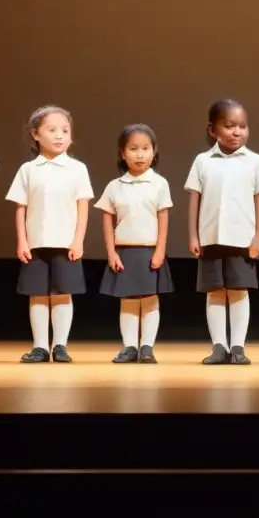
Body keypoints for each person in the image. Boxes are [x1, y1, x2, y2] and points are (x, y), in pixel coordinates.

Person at [186, 99, 259, 365]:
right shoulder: (202, 161)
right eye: (229, 126)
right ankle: (218, 346)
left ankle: (238, 346)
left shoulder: (254, 161)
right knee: (214, 291)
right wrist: (193, 235)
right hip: (210, 236)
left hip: (242, 238)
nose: (237, 132)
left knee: (238, 291)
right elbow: (195, 200)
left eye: (243, 126)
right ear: (213, 130)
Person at [6, 105, 94, 363]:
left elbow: (82, 207)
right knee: (38, 294)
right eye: (52, 130)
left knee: (62, 294)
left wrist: (78, 240)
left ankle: (60, 345)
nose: (60, 136)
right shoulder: (28, 170)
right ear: (35, 134)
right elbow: (21, 208)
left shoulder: (77, 169)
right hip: (36, 243)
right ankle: (40, 346)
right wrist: (22, 240)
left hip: (66, 243)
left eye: (65, 130)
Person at [97, 124, 174, 364]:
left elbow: (163, 218)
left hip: (150, 251)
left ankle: (147, 347)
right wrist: (111, 253)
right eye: (133, 149)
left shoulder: (159, 184)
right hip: (124, 251)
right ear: (122, 153)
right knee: (128, 301)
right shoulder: (114, 186)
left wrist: (160, 250)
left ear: (154, 151)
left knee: (150, 301)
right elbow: (107, 221)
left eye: (145, 148)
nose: (140, 155)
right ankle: (129, 346)